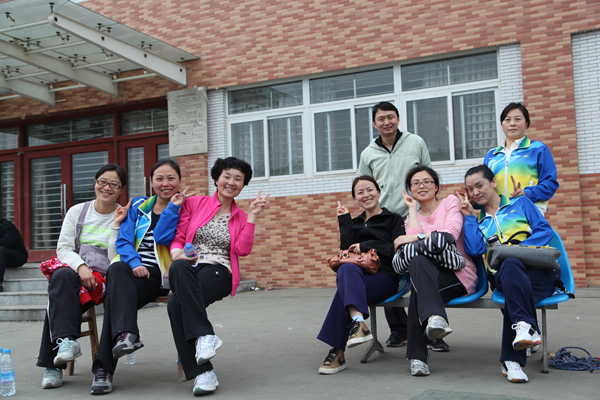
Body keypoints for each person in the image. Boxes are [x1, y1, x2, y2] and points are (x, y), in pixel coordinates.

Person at [167, 157, 268, 396]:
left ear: (243, 185)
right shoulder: (195, 203)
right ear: (216, 179)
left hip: (219, 270)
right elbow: (179, 235)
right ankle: (204, 364)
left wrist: (253, 216)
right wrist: (176, 252)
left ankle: (203, 359)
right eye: (227, 176)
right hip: (190, 266)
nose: (231, 182)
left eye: (238, 179)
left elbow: (242, 250)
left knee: (176, 305)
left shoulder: (240, 216)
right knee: (176, 295)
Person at [90, 159, 189, 394]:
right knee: (116, 270)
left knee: (114, 299)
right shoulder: (138, 205)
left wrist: (173, 208)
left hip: (162, 274)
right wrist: (135, 263)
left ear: (179, 181)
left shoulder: (185, 208)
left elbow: (166, 238)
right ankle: (126, 335)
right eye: (159, 179)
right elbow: (124, 241)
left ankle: (104, 369)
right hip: (132, 272)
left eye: (171, 178)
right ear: (151, 182)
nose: (165, 183)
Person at [459, 165, 558, 383]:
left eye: (479, 185)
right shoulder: (479, 221)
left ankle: (513, 356)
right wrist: (468, 217)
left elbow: (544, 231)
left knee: (513, 267)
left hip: (539, 273)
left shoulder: (520, 203)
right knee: (510, 265)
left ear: (493, 183)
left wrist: (518, 250)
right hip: (503, 277)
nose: (475, 192)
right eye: (470, 189)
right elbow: (475, 249)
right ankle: (525, 328)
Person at [37, 164, 128, 389]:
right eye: (102, 182)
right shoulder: (77, 211)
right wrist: (81, 267)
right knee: (60, 279)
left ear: (121, 190)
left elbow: (117, 255)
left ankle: (53, 362)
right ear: (95, 183)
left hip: (106, 276)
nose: (107, 188)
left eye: (113, 184)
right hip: (76, 271)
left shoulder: (124, 216)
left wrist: (116, 225)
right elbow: (64, 248)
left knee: (59, 298)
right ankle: (66, 344)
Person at [357, 101, 438, 350]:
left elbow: (428, 175)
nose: (386, 122)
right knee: (389, 269)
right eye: (381, 119)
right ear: (374, 123)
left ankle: (432, 330)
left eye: (390, 117)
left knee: (420, 270)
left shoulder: (416, 142)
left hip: (414, 216)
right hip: (386, 220)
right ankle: (399, 330)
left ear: (398, 118)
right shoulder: (368, 153)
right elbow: (364, 184)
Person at [391, 166, 477, 376]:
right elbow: (412, 250)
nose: (422, 186)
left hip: (457, 274)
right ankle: (436, 318)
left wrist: (415, 238)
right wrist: (412, 209)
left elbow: (448, 235)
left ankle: (417, 358)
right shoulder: (411, 217)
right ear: (410, 190)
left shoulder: (450, 203)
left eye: (427, 181)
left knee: (418, 291)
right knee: (418, 263)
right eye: (415, 183)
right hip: (426, 274)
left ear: (436, 186)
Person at [317, 175, 404, 375]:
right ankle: (358, 321)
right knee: (346, 269)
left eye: (369, 190)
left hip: (384, 278)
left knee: (344, 293)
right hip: (356, 277)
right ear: (356, 198)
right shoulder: (354, 222)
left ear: (378, 192)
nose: (366, 195)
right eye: (360, 192)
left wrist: (365, 245)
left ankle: (338, 352)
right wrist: (344, 221)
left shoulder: (393, 219)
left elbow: (395, 248)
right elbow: (345, 252)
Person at [484, 102, 559, 214]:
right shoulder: (492, 155)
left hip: (528, 214)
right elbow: (484, 186)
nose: (512, 123)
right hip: (498, 215)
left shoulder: (538, 149)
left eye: (518, 119)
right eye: (507, 120)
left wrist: (527, 193)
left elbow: (550, 184)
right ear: (502, 124)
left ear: (527, 123)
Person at [0, 218, 28, 292]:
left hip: (18, 256)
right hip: (3, 259)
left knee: (1, 250)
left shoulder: (6, 225)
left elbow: (8, 242)